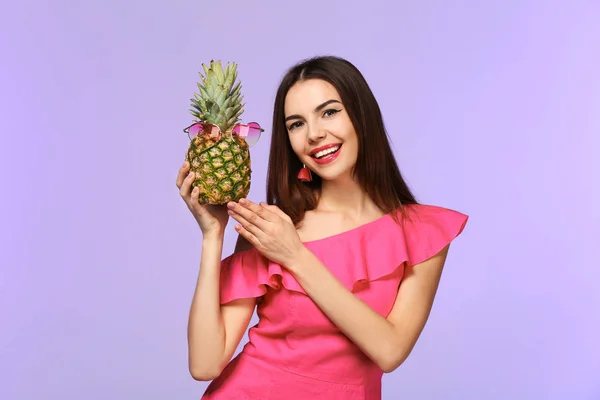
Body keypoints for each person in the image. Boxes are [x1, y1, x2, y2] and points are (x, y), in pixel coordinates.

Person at [175, 55, 468, 399]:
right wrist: (213, 236)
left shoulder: (421, 232)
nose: (314, 134)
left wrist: (296, 257)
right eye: (296, 124)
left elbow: (390, 351)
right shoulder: (273, 226)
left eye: (329, 112)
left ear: (362, 115)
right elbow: (205, 365)